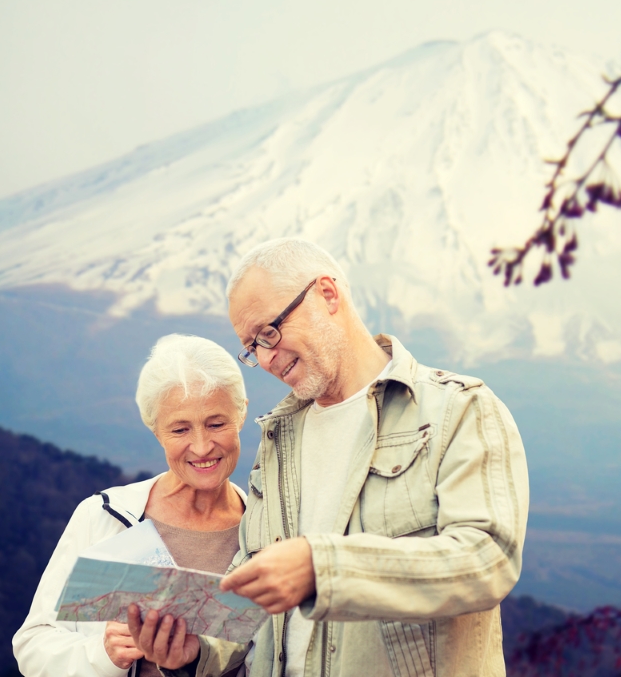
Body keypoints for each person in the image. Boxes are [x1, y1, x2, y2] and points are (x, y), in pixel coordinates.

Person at [130, 238, 529, 677]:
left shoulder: (458, 410)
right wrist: (193, 654)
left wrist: (325, 568)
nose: (265, 358)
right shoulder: (277, 439)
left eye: (269, 333)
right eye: (251, 347)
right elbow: (252, 605)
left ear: (327, 294)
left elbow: (487, 561)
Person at [13, 334, 250, 677]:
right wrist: (104, 654)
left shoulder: (263, 529)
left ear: (241, 413)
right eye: (180, 429)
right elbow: (32, 645)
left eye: (216, 424)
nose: (201, 447)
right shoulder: (103, 517)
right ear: (155, 430)